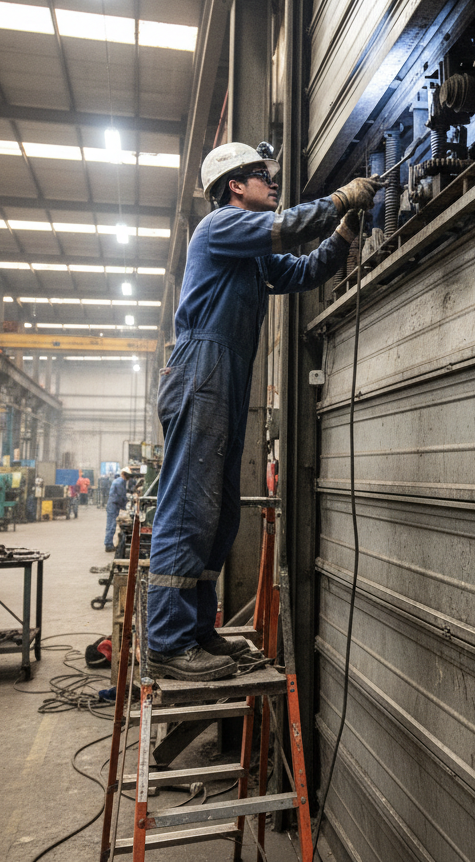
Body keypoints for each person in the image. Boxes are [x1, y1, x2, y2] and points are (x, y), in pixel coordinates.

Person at [146, 141, 376, 682]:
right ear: (234, 187)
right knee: (187, 506)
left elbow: (301, 270)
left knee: (217, 510)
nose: (270, 185)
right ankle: (167, 641)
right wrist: (341, 197)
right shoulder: (221, 227)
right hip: (201, 370)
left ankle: (198, 632)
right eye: (260, 177)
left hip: (222, 377)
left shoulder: (245, 253)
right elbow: (288, 228)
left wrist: (344, 232)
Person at [104, 467, 131, 552]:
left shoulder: (119, 481)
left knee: (111, 525)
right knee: (111, 525)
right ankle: (108, 545)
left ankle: (109, 544)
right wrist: (125, 507)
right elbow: (121, 496)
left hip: (113, 504)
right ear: (124, 474)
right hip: (113, 505)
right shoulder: (120, 482)